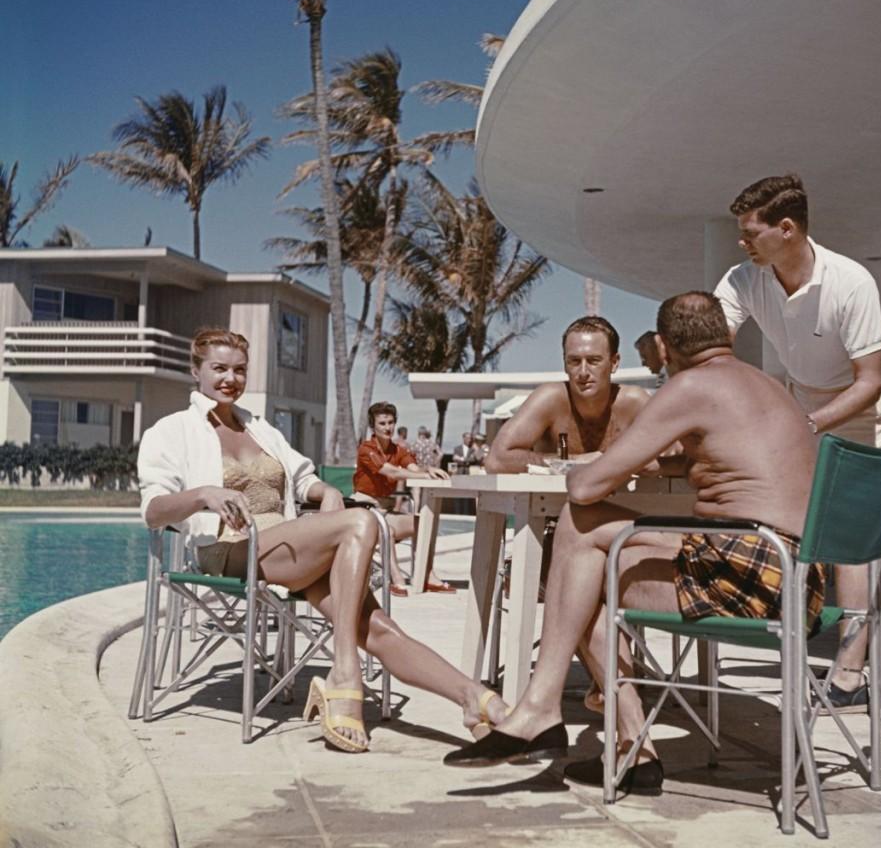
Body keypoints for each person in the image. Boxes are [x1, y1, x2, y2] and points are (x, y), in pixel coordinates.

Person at [444, 293, 824, 793]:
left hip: (747, 578)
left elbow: (583, 488)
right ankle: (630, 746)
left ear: (663, 349)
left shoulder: (688, 387)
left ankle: (545, 709)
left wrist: (606, 459)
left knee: (581, 531)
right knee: (583, 579)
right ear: (727, 337)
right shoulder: (769, 386)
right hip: (802, 577)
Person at [137, 328, 506, 754]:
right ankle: (346, 672)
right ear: (195, 369)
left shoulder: (259, 428)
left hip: (290, 551)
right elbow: (153, 510)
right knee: (361, 523)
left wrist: (325, 492)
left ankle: (473, 699)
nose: (230, 379)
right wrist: (205, 494)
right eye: (218, 369)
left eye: (239, 370)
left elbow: (302, 479)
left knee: (380, 629)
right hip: (232, 550)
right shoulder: (173, 430)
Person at [713, 174, 881, 711]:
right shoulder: (744, 278)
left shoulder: (852, 282)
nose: (741, 242)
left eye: (751, 232)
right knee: (791, 515)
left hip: (866, 402)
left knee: (849, 532)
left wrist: (810, 424)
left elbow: (868, 381)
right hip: (804, 397)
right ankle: (803, 621)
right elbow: (711, 347)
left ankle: (850, 669)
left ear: (787, 229)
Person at [486, 316, 651, 473]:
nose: (583, 372)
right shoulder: (550, 399)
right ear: (565, 363)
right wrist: (575, 461)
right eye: (574, 361)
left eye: (594, 361)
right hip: (554, 502)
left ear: (614, 363)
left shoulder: (633, 403)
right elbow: (496, 460)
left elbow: (674, 457)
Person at [353, 403, 456, 595]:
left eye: (391, 422)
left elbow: (412, 468)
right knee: (388, 531)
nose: (388, 427)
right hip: (364, 507)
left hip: (385, 508)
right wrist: (423, 475)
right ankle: (395, 578)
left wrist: (428, 470)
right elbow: (389, 471)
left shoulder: (398, 450)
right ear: (373, 426)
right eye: (382, 423)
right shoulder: (366, 449)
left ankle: (426, 575)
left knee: (423, 524)